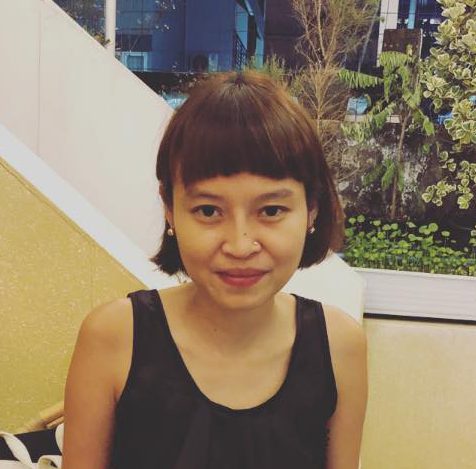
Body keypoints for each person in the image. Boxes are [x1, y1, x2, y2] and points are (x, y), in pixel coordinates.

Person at [62, 71, 367, 469]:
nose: (240, 245)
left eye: (271, 210)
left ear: (311, 209)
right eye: (208, 210)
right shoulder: (113, 337)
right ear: (170, 209)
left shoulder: (341, 346)